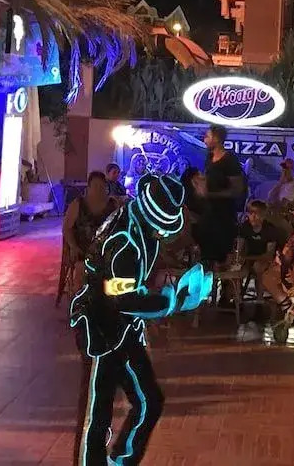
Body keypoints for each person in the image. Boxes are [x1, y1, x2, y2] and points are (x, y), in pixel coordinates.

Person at [71, 173, 212, 466]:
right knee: (98, 415)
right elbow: (122, 299)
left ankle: (122, 461)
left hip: (123, 329)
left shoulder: (138, 221)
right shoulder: (124, 241)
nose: (164, 234)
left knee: (150, 401)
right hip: (101, 330)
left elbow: (133, 286)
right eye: (162, 227)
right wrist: (173, 301)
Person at [63, 171, 121, 292]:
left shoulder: (113, 204)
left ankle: (109, 296)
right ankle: (81, 297)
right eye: (95, 186)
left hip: (107, 250)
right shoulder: (78, 204)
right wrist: (73, 246)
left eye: (102, 186)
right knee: (82, 270)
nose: (98, 190)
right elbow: (67, 228)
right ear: (88, 188)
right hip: (83, 250)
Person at [201, 124, 244, 264]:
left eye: (207, 136)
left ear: (217, 139)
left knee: (222, 255)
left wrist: (212, 195)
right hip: (209, 213)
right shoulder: (209, 157)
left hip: (224, 215)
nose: (204, 139)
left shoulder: (230, 160)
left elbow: (237, 190)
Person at [238, 199, 286, 265]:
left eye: (256, 213)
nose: (253, 216)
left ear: (263, 216)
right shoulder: (244, 227)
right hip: (247, 261)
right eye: (251, 213)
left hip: (264, 263)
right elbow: (240, 250)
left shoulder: (270, 230)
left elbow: (269, 256)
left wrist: (247, 258)